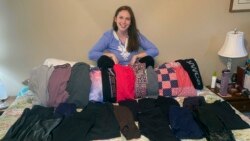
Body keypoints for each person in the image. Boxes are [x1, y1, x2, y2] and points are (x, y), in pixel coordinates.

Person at [88, 5, 159, 66]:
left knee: (149, 60)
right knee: (103, 60)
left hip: (133, 71)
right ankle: (111, 82)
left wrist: (136, 56)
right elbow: (91, 54)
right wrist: (111, 55)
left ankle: (140, 82)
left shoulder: (136, 35)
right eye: (121, 17)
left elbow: (154, 50)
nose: (124, 22)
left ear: (131, 22)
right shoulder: (108, 36)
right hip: (116, 71)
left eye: (127, 19)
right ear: (115, 19)